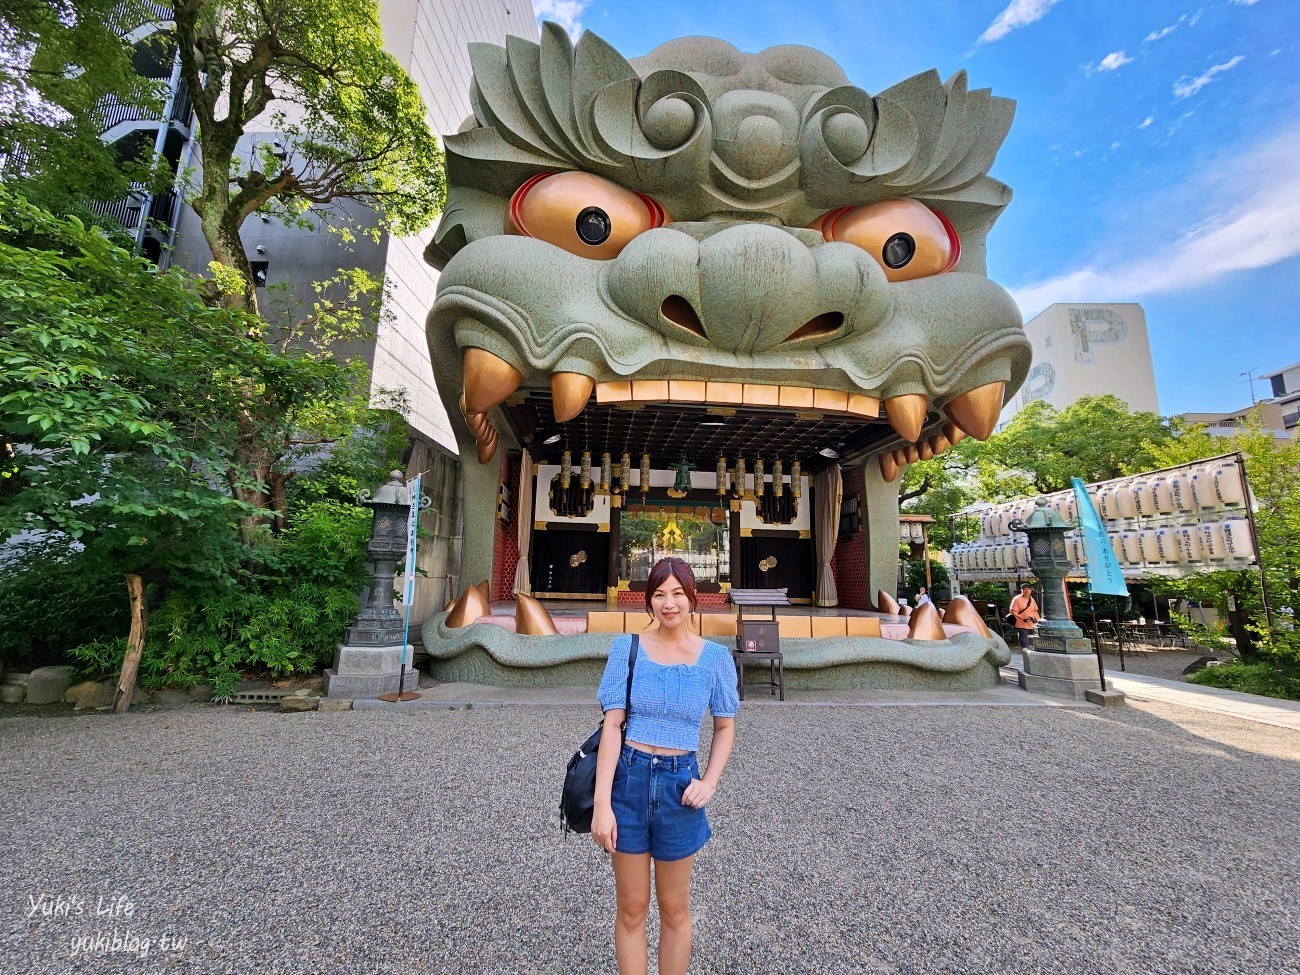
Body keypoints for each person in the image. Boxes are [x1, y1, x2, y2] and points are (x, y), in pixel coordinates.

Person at [591, 557, 739, 975]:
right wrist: (602, 803)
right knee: (632, 908)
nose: (668, 603)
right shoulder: (627, 648)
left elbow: (724, 728)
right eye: (659, 594)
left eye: (677, 593)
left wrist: (709, 782)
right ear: (648, 601)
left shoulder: (714, 658)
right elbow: (612, 726)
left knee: (675, 909)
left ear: (693, 598)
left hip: (680, 786)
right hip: (629, 781)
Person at [1009, 583, 1040, 649]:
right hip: (1022, 624)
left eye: (1028, 589)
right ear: (1021, 590)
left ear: (1031, 590)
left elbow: (1035, 611)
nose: (1026, 591)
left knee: (1033, 642)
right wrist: (1022, 618)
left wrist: (1038, 621)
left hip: (1032, 624)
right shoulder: (1017, 599)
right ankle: (1025, 654)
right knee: (1024, 642)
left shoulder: (1032, 600)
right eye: (1024, 589)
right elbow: (1013, 611)